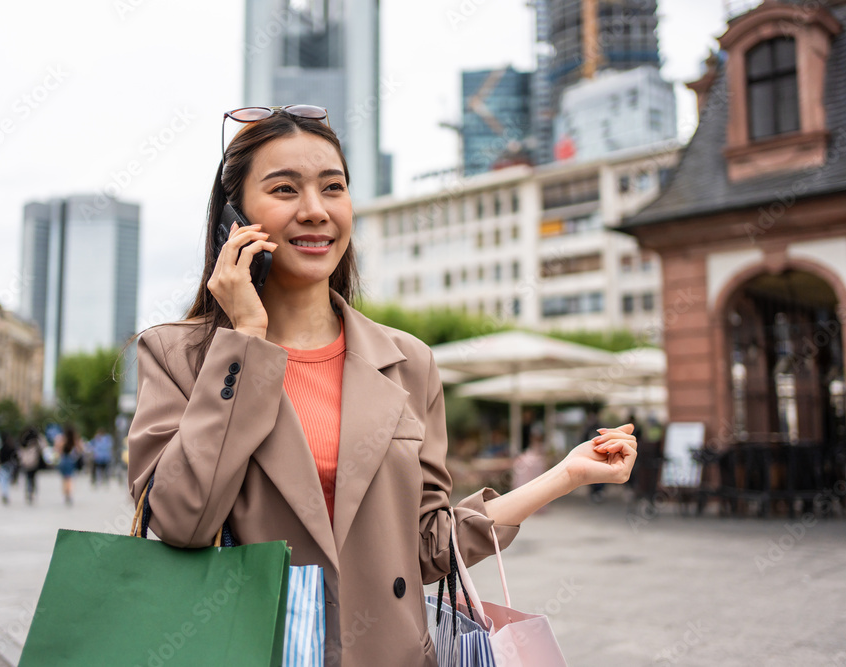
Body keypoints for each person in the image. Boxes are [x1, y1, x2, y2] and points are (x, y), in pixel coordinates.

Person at [127, 104, 638, 666]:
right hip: (250, 650)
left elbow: (427, 545)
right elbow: (181, 522)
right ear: (234, 218)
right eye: (284, 189)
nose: (316, 210)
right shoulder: (182, 355)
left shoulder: (408, 362)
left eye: (333, 187)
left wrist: (565, 474)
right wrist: (246, 339)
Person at [55, 425, 81, 506]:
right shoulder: (74, 438)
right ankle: (69, 493)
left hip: (63, 459)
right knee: (69, 478)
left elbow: (58, 449)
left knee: (64, 478)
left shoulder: (62, 438)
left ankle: (66, 493)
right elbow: (80, 448)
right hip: (71, 459)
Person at [18, 428, 44, 505]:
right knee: (32, 478)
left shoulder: (23, 440)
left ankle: (29, 491)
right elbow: (43, 447)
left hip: (26, 463)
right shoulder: (36, 442)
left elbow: (20, 451)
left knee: (28, 478)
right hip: (34, 463)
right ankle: (31, 491)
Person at [0, 431, 17, 504]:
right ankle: (6, 494)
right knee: (6, 481)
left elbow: (0, 458)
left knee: (3, 481)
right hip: (10, 466)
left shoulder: (2, 447)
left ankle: (4, 493)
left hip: (4, 466)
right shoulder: (11, 446)